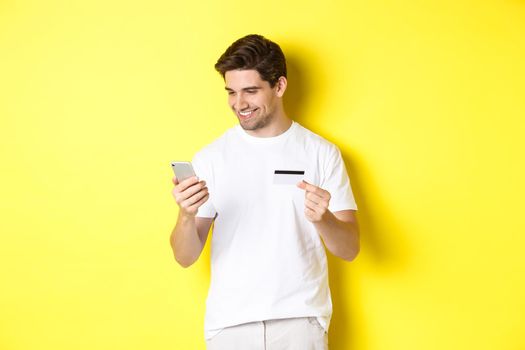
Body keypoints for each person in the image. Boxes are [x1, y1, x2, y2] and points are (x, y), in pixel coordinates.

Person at [170, 34, 360, 350]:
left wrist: (323, 218)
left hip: (300, 322)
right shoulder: (211, 158)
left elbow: (350, 248)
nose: (239, 103)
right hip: (230, 326)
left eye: (250, 91)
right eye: (231, 92)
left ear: (280, 87)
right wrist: (186, 215)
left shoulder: (321, 154)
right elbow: (184, 257)